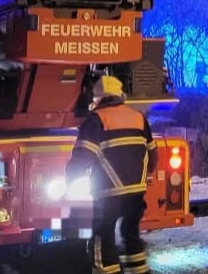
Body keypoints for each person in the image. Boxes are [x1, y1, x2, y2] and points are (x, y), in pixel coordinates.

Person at [66, 74, 158, 274]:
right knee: (130, 234)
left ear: (97, 98)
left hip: (108, 193)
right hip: (136, 194)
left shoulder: (96, 119)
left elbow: (83, 157)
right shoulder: (138, 117)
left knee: (102, 236)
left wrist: (71, 182)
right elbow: (152, 154)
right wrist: (143, 175)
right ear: (120, 94)